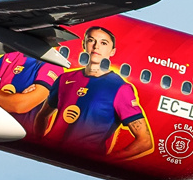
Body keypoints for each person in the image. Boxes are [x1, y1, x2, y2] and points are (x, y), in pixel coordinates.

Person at [37, 25, 154, 161]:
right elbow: (42, 116)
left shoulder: (120, 88)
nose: (96, 46)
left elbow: (145, 141)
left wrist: (107, 161)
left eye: (103, 43)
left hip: (83, 160)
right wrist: (40, 143)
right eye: (91, 40)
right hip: (52, 156)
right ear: (85, 44)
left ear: (112, 51)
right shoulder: (65, 78)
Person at [0, 50, 62, 134]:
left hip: (21, 138)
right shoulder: (8, 57)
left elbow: (20, 106)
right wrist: (13, 99)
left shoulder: (53, 66)